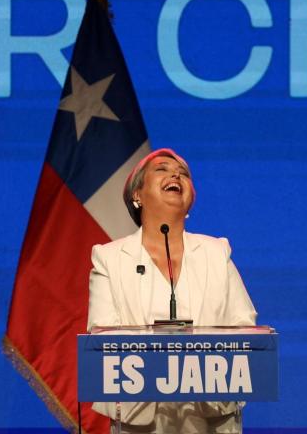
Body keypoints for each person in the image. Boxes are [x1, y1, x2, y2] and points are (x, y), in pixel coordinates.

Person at [87, 148, 257, 434]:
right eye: (162, 169)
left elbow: (244, 329)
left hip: (211, 416)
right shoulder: (110, 258)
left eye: (183, 173)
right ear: (137, 195)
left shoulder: (216, 252)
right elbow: (104, 338)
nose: (175, 174)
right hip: (140, 418)